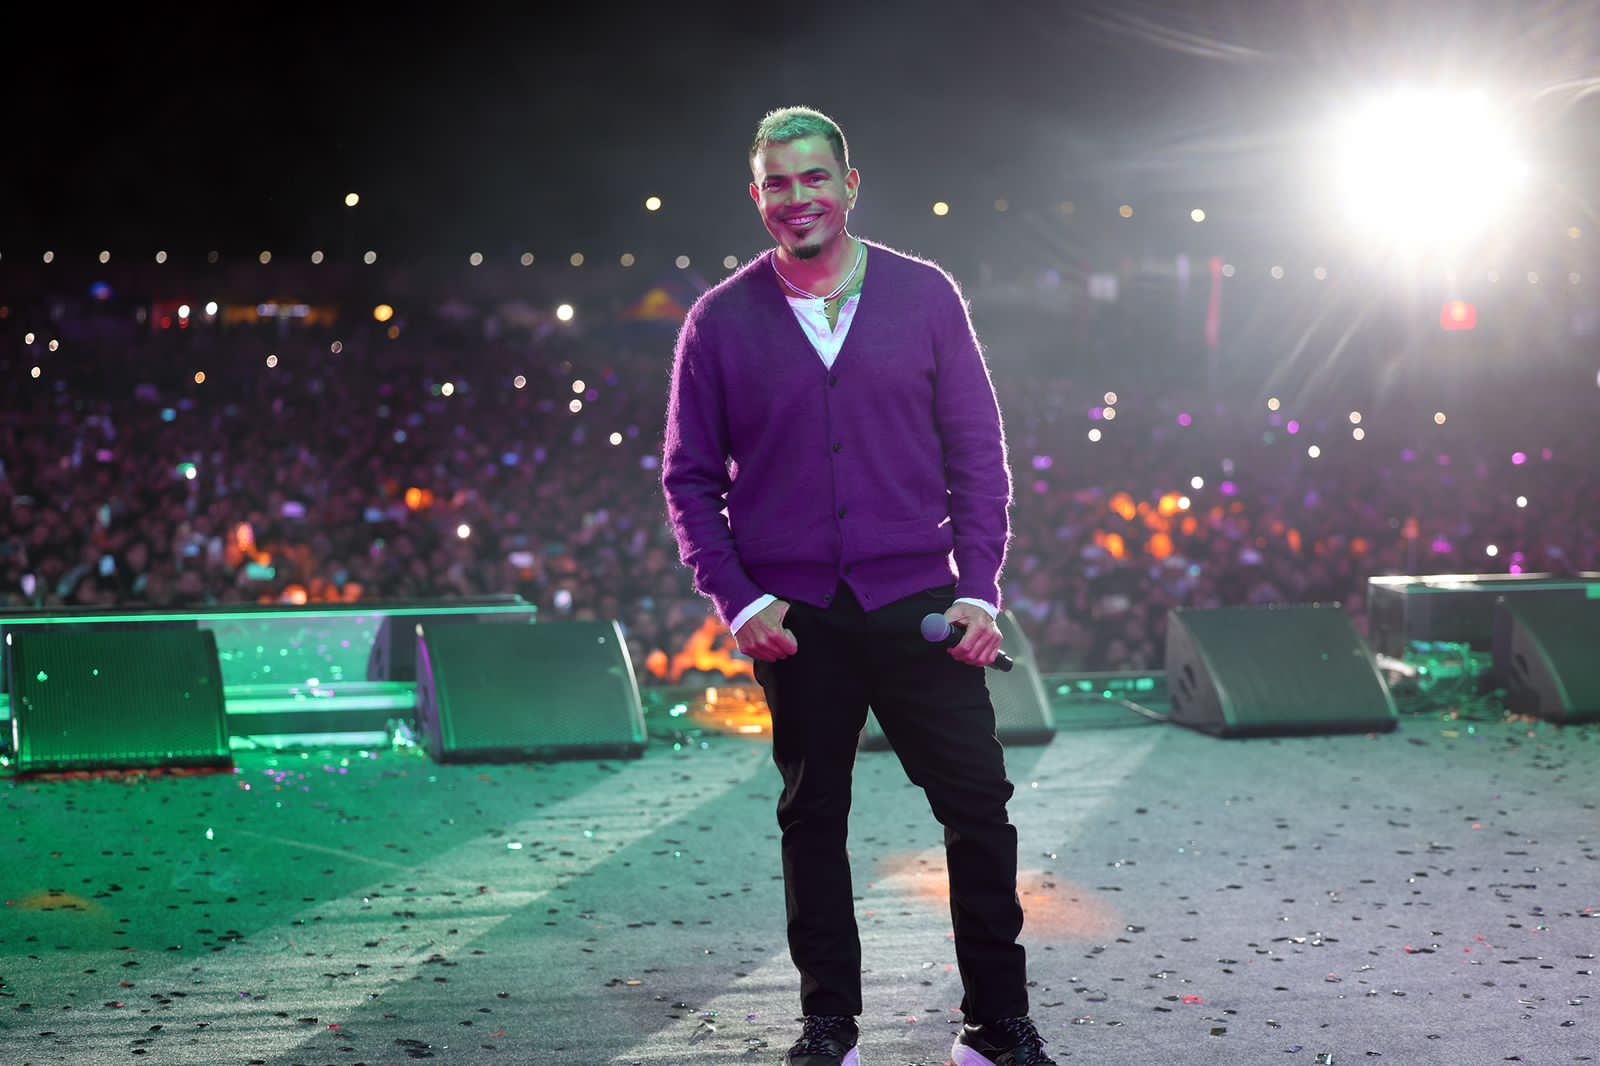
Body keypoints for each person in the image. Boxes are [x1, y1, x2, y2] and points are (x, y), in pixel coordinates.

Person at [662, 106, 1055, 1066]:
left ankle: (996, 1024)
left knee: (978, 808)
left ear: (849, 184)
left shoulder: (926, 296)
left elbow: (978, 455)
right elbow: (690, 479)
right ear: (757, 197)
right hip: (797, 619)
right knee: (813, 817)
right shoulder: (720, 320)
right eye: (778, 183)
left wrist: (979, 590)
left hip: (922, 607)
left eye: (814, 177)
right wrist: (740, 601)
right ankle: (829, 1021)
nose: (797, 197)